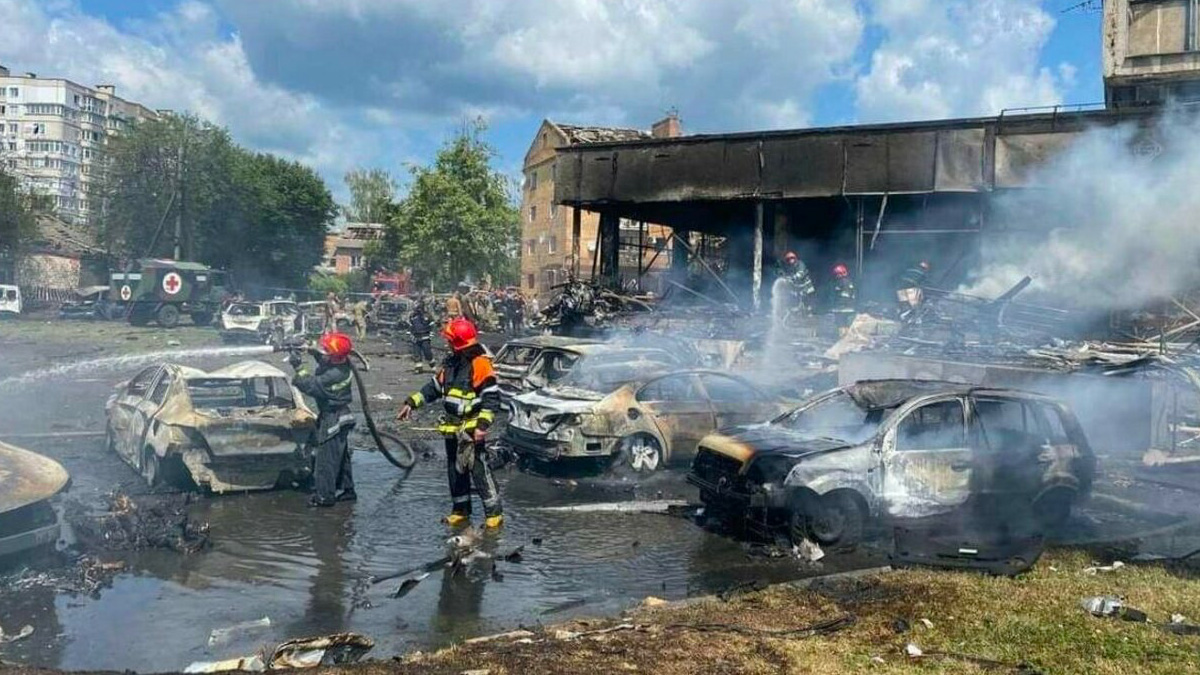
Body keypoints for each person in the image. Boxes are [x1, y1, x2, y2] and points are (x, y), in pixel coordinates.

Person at [396, 317, 503, 528]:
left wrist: (482, 427)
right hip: (452, 428)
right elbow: (434, 388)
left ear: (457, 343)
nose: (447, 344)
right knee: (455, 471)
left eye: (449, 340)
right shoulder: (452, 363)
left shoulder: (480, 364)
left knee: (479, 471)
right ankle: (461, 510)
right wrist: (412, 402)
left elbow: (491, 399)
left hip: (471, 429)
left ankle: (494, 514)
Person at [290, 332, 357, 507]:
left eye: (327, 350)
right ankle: (347, 490)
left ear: (334, 355)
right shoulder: (343, 363)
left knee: (326, 459)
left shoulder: (333, 375)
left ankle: (325, 497)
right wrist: (311, 350)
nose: (324, 352)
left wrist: (298, 367)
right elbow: (325, 360)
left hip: (333, 418)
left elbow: (309, 385)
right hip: (342, 415)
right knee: (340, 456)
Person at [409, 298, 436, 372]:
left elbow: (432, 325)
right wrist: (411, 334)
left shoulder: (427, 315)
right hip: (416, 337)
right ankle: (418, 367)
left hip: (425, 337)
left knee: (427, 352)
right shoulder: (412, 316)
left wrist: (431, 335)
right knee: (416, 353)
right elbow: (411, 326)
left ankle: (432, 366)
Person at [829, 263, 857, 335]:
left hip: (842, 308)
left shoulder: (841, 283)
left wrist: (835, 307)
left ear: (839, 274)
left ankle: (841, 339)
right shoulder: (849, 282)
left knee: (840, 324)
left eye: (836, 274)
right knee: (846, 325)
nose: (836, 276)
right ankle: (847, 339)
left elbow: (842, 297)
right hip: (850, 307)